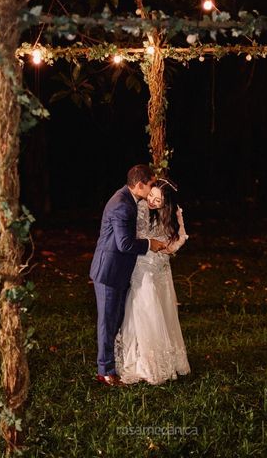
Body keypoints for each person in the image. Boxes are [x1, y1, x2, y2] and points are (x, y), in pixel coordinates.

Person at [90, 165, 167, 386]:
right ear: (140, 185)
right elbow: (124, 244)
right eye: (151, 184)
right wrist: (151, 244)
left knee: (115, 320)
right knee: (107, 322)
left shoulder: (130, 199)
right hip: (109, 272)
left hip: (119, 271)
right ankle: (105, 372)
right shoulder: (121, 205)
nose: (152, 189)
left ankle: (114, 364)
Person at [115, 177, 191, 385]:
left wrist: (170, 248)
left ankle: (167, 360)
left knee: (163, 312)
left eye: (158, 200)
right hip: (142, 266)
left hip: (162, 268)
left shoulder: (174, 213)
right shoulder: (139, 208)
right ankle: (145, 363)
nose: (152, 201)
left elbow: (181, 236)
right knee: (145, 310)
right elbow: (130, 239)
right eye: (152, 196)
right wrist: (149, 245)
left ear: (167, 203)